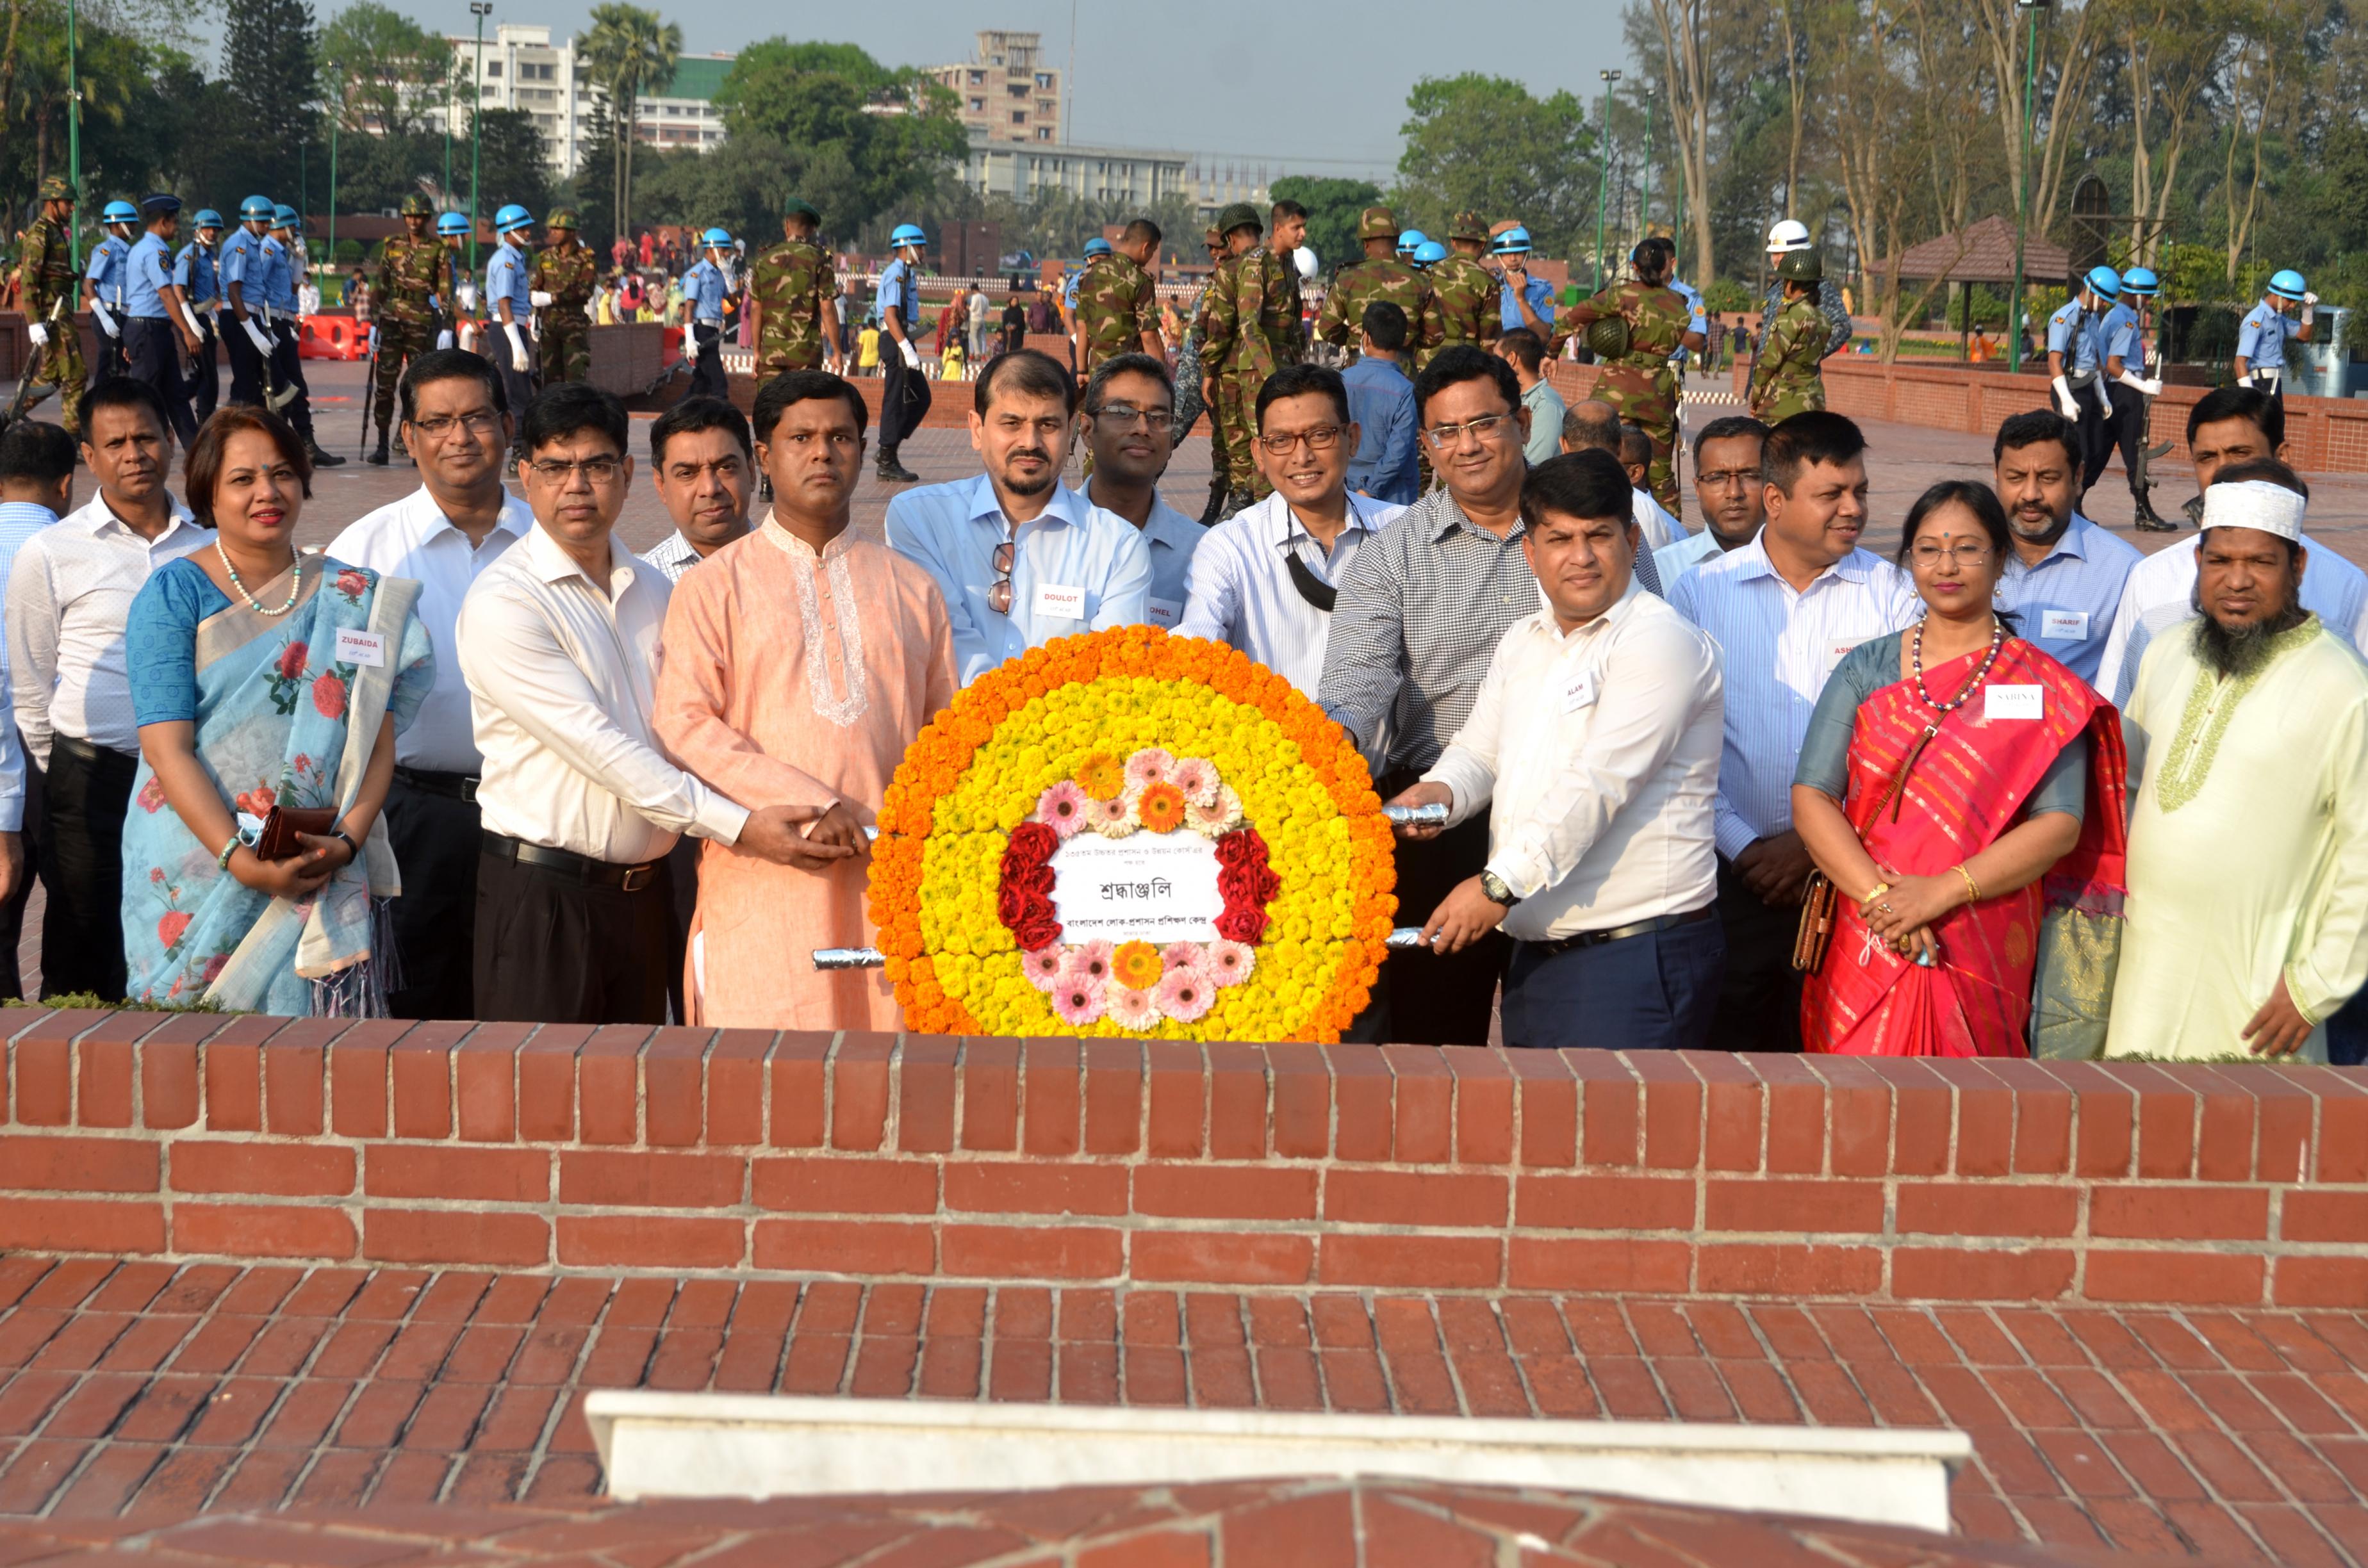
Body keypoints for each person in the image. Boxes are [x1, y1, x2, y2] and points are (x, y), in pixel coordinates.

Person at [457, 384, 807, 1026]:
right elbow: (603, 751)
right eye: (557, 468)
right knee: (544, 1101)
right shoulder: (505, 602)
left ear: (624, 474)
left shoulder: (658, 588)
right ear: (527, 477)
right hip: (545, 899)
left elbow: (694, 726)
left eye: (595, 466)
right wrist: (739, 823)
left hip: (643, 900)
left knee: (637, 1101)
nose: (577, 486)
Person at [1386, 449, 1724, 1050]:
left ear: (1633, 538)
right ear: (1530, 552)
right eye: (1560, 538)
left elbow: (1598, 785)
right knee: (1544, 1139)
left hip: (1633, 955)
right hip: (1539, 953)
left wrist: (1494, 887)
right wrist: (1440, 794)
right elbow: (1480, 751)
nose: (1582, 557)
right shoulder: (1527, 638)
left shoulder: (1659, 641)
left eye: (1599, 535)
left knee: (1611, 1140)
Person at [654, 370, 957, 1029]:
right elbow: (683, 724)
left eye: (840, 436)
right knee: (764, 1086)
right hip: (764, 876)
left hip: (887, 886)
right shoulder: (712, 588)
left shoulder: (913, 590)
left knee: (886, 1082)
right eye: (801, 437)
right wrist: (811, 803)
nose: (822, 452)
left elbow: (945, 740)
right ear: (764, 455)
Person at [1791, 480, 2121, 1056]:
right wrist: (1886, 901)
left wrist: (1943, 891)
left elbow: (2061, 820)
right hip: (1873, 925)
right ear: (1909, 560)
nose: (1947, 566)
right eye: (1928, 549)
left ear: (2000, 560)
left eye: (1968, 549)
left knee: (1975, 1114)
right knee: (1853, 1110)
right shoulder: (1867, 669)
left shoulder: (2040, 685)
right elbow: (1813, 795)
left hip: (1982, 928)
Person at [122, 406, 433, 1014]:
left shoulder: (355, 596)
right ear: (208, 493)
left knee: (317, 1072)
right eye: (243, 479)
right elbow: (165, 748)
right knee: (190, 1061)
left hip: (322, 863)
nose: (267, 492)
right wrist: (240, 861)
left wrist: (345, 841)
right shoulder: (174, 593)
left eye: (283, 473)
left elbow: (375, 741)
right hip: (197, 866)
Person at [1668, 411, 1920, 1053]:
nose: (1852, 509)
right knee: (1729, 1067)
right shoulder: (1700, 594)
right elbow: (1681, 746)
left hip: (1852, 879)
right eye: (1832, 494)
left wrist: (1814, 849)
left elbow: (1911, 744)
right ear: (1775, 501)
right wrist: (1746, 847)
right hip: (1729, 877)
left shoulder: (1892, 596)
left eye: (1859, 491)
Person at [2107, 466, 2368, 1064]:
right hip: (2144, 967)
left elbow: (2364, 856)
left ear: (2297, 567)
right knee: (2138, 1131)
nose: (2238, 581)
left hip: (2260, 990)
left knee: (2250, 1143)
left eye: (2261, 562)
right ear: (2198, 561)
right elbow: (2130, 789)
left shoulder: (2344, 685)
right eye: (2220, 560)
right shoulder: (2168, 653)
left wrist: (2314, 988)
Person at [1318, 346, 1538, 1045]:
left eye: (1485, 424)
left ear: (1523, 423)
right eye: (1447, 432)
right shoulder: (1395, 552)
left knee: (1568, 1049)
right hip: (1439, 819)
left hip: (1569, 805)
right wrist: (1333, 743)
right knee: (1435, 1047)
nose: (1467, 445)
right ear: (1425, 446)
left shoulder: (1588, 530)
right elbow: (1358, 676)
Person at [325, 350, 530, 1020]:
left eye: (476, 418)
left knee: (523, 1007)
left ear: (506, 424)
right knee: (414, 1015)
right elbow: (331, 699)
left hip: (534, 816)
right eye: (437, 422)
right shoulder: (365, 552)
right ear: (409, 437)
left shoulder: (550, 540)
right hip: (413, 818)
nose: (459, 438)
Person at [7, 380, 208, 1000]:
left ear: (170, 440)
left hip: (191, 782)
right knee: (82, 935)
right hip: (89, 778)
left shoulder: (210, 544)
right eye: (115, 442)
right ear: (88, 460)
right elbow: (31, 678)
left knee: (183, 929)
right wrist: (62, 767)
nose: (134, 453)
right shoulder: (50, 552)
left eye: (146, 436)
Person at [885, 350, 1151, 684]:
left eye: (1048, 425)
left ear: (1071, 431)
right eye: (1012, 423)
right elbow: (946, 640)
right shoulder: (921, 520)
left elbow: (1111, 674)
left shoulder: (1118, 546)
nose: (1030, 442)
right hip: (951, 729)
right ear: (977, 429)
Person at [2092, 386, 2368, 704]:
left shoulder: (2346, 585)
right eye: (2207, 458)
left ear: (2281, 458)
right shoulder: (2151, 578)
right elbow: (2116, 707)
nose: (2223, 472)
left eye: (2240, 453)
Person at [1180, 364, 1404, 697]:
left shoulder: (1402, 530)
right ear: (1259, 453)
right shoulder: (1230, 547)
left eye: (1320, 435)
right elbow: (1197, 645)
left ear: (1352, 439)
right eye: (1281, 440)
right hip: (1274, 745)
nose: (1302, 456)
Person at [1531, 240, 1698, 512]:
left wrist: (1551, 353)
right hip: (1659, 391)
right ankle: (1672, 537)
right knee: (1660, 472)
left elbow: (1572, 319)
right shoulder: (1679, 304)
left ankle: (1590, 514)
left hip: (1618, 387)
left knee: (1598, 457)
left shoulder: (1621, 295)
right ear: (1665, 266)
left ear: (1634, 266)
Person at [0, 419, 77, 999]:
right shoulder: (74, 556)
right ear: (67, 485)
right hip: (57, 756)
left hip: (11, 761)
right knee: (77, 913)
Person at [1989, 409, 2141, 690]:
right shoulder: (1969, 557)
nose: (2030, 494)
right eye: (2016, 477)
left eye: (2047, 478)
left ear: (2078, 476)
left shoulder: (2125, 571)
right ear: (1997, 475)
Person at [1078, 355, 1199, 630]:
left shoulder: (1199, 552)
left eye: (1158, 417)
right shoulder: (1044, 534)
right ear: (1087, 429)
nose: (1143, 429)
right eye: (1122, 413)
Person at [1199, 203, 1299, 518]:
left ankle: (1242, 515)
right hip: (1272, 365)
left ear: (1229, 239)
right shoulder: (1279, 264)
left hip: (1239, 373)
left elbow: (1220, 325)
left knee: (1242, 451)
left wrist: (1209, 368)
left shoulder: (1231, 270)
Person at [363, 197, 454, 466]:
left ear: (427, 218)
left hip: (421, 320)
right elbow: (381, 283)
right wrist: (372, 322)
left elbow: (445, 289)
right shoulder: (393, 244)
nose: (414, 221)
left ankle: (417, 444)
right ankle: (382, 444)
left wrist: (447, 327)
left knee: (419, 387)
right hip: (391, 319)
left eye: (419, 216)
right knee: (385, 386)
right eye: (409, 216)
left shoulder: (438, 248)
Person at [643, 396, 755, 584]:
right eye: (687, 473)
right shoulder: (644, 585)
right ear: (661, 485)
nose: (710, 489)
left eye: (726, 467)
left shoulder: (796, 567)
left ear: (751, 472)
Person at [9, 179, 88, 439]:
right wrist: (33, 322)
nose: (72, 208)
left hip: (58, 311)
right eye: (68, 202)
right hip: (50, 315)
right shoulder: (40, 233)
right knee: (76, 374)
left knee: (51, 377)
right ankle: (73, 437)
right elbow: (30, 280)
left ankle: (5, 417)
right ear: (52, 203)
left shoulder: (55, 231)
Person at [122, 195, 201, 449]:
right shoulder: (155, 252)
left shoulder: (139, 249)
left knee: (175, 394)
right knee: (143, 396)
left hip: (150, 329)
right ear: (163, 222)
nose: (177, 227)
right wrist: (187, 332)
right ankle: (130, 446)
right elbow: (166, 294)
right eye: (175, 222)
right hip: (149, 329)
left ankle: (198, 452)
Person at [1558, 400, 1680, 564]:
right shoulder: (1641, 505)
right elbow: (1654, 569)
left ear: (1563, 444)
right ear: (1621, 446)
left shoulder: (1544, 497)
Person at [1315, 206, 1436, 365]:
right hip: (1403, 370)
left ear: (1365, 244)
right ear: (1397, 241)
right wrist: (1405, 344)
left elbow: (1327, 328)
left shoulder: (1347, 278)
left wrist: (1356, 340)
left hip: (1359, 367)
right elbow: (1435, 334)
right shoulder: (1420, 280)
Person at [1656, 416, 1768, 589]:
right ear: (1698, 489)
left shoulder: (1808, 570)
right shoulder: (1662, 570)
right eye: (1717, 478)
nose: (1734, 493)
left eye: (1751, 476)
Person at [264, 207, 338, 468]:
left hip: (284, 321)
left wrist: (298, 259)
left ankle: (307, 446)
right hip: (269, 321)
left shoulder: (283, 252)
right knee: (277, 388)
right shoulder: (268, 250)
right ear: (282, 226)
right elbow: (257, 287)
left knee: (296, 385)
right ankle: (278, 445)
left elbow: (294, 288)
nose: (296, 233)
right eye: (293, 228)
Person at [2102, 266, 2174, 531]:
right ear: (2139, 296)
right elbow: (2114, 364)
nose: (2151, 302)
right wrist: (2143, 386)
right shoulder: (2126, 322)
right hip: (2126, 389)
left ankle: (2076, 506)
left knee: (2099, 453)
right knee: (2136, 454)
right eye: (2149, 297)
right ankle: (2143, 511)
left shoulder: (2115, 316)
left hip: (2113, 390)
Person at [749, 198, 843, 378]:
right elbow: (827, 308)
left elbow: (755, 308)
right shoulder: (819, 259)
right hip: (806, 356)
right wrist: (836, 352)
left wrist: (756, 352)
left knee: (770, 405)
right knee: (805, 405)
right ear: (812, 229)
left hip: (771, 355)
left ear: (787, 226)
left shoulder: (764, 259)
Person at [2046, 266, 2118, 492]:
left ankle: (2078, 500)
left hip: (2088, 388)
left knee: (2098, 449)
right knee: (2078, 451)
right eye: (2104, 300)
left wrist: (2103, 396)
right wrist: (2065, 399)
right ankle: (2071, 507)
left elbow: (2092, 361)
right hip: (2070, 388)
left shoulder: (2093, 319)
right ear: (2091, 292)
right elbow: (2054, 361)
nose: (2105, 305)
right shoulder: (2064, 318)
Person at [1340, 303, 1418, 505]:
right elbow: (1397, 454)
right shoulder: (1406, 390)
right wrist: (1368, 492)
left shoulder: (1340, 381)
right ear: (1403, 340)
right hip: (1394, 498)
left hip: (1346, 491)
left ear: (1366, 338)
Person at [1073, 218, 1165, 380]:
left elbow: (1082, 328)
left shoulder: (1087, 275)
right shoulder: (1140, 279)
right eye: (1153, 250)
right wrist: (1161, 378)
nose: (1151, 256)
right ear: (1146, 247)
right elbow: (1149, 337)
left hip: (1098, 377)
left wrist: (1081, 371)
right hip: (1130, 375)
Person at [875, 223, 933, 482]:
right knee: (895, 400)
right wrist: (906, 348)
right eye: (920, 247)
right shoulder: (896, 273)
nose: (923, 252)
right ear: (907, 247)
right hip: (895, 340)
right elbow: (889, 315)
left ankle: (889, 448)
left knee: (921, 398)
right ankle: (887, 459)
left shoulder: (907, 273)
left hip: (902, 338)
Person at [1754, 220, 1854, 368]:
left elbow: (1842, 327)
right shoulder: (1776, 288)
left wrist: (1804, 359)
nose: (1778, 258)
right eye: (1775, 253)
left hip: (1796, 383)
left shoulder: (1818, 287)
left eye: (1785, 253)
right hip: (1766, 375)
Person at [1748, 250, 1828, 425]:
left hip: (1782, 405)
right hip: (1814, 402)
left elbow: (1769, 362)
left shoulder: (1791, 316)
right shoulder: (1822, 318)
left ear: (1791, 282)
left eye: (1785, 280)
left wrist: (1755, 396)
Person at [220, 195, 281, 414]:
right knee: (246, 387)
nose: (267, 226)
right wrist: (252, 331)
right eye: (263, 221)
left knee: (251, 383)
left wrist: (262, 325)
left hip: (248, 316)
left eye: (268, 222)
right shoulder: (239, 246)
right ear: (251, 220)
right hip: (239, 318)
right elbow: (234, 292)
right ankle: (228, 433)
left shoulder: (251, 244)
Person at [529, 209, 596, 388]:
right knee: (550, 381)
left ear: (572, 231)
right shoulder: (546, 257)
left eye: (558, 229)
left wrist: (553, 298)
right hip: (549, 327)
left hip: (574, 328)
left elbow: (585, 290)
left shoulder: (586, 257)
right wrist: (534, 316)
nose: (553, 232)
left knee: (575, 381)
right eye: (552, 228)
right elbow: (536, 289)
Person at [1426, 212, 1502, 363]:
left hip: (1429, 359)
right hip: (1466, 363)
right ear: (1483, 245)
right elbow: (1490, 341)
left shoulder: (1429, 273)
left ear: (1453, 242)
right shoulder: (1487, 282)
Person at [2234, 270, 2315, 404]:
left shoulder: (2278, 318)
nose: (2293, 305)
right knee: (2267, 424)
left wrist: (2307, 311)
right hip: (2260, 384)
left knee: (2276, 424)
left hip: (2273, 382)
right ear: (2277, 295)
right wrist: (2249, 396)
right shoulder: (2256, 320)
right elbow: (2239, 363)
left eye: (2296, 302)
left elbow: (2304, 336)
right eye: (2290, 300)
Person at [83, 199, 138, 389]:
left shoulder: (129, 251)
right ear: (117, 225)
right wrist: (104, 317)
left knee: (120, 363)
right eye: (130, 223)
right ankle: (97, 408)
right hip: (108, 314)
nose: (134, 227)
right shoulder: (107, 250)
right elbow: (89, 284)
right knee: (110, 364)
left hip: (123, 315)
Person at [674, 227, 731, 402]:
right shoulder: (697, 273)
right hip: (701, 330)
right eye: (723, 250)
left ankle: (672, 416)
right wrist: (690, 339)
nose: (726, 254)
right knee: (719, 383)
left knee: (702, 384)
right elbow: (689, 307)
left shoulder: (721, 273)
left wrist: (729, 278)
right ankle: (723, 420)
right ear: (711, 249)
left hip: (713, 331)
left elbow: (733, 304)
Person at [1498, 329, 1565, 466]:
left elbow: (1534, 464)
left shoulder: (1546, 405)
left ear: (1511, 358)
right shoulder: (1512, 397)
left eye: (1496, 358)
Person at [1490, 226, 1558, 340]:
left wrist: (1521, 300)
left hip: (1526, 354)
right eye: (1507, 254)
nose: (1513, 259)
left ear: (1526, 254)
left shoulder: (1543, 288)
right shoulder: (1491, 285)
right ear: (1499, 257)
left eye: (1518, 253)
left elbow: (1543, 336)